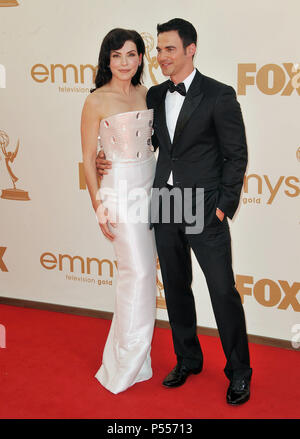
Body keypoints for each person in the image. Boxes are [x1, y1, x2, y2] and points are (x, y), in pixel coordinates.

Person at [96, 18, 252, 405]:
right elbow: (136, 141)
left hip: (205, 207)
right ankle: (187, 358)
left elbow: (236, 157)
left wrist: (222, 209)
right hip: (164, 203)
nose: (162, 57)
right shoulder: (153, 96)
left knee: (221, 291)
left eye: (170, 49)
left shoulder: (219, 95)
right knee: (177, 289)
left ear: (190, 49)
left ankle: (239, 372)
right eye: (159, 49)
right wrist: (105, 158)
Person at [81, 28, 157, 394]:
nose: (124, 62)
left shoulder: (148, 94)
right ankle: (125, 359)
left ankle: (138, 358)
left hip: (151, 186)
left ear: (141, 58)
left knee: (143, 272)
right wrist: (98, 204)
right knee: (137, 271)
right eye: (116, 56)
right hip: (119, 190)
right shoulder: (97, 100)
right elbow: (86, 158)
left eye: (131, 54)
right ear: (106, 60)